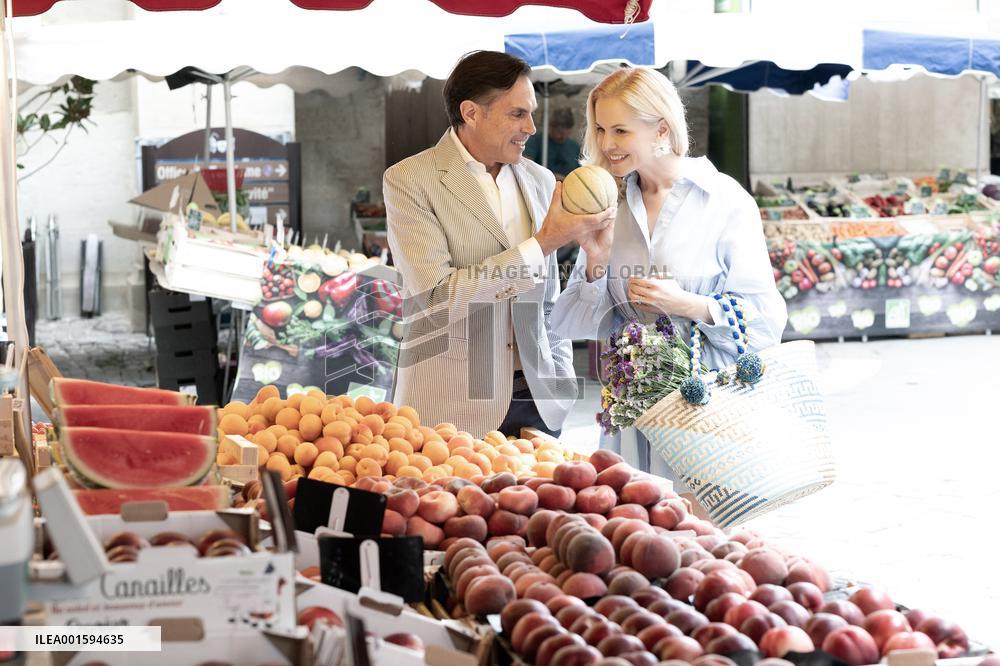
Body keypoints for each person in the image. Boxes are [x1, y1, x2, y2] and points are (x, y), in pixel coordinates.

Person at [550, 67, 787, 483]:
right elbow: (575, 322)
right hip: (630, 407)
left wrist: (686, 304)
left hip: (708, 409)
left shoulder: (724, 201)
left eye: (620, 131)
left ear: (662, 129)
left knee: (699, 535)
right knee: (637, 536)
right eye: (601, 129)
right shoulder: (609, 202)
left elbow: (767, 319)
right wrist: (595, 258)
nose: (607, 144)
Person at [383, 51, 616, 438]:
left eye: (532, 113)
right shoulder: (410, 180)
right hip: (453, 406)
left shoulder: (541, 181)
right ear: (471, 112)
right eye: (517, 114)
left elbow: (549, 303)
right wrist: (542, 243)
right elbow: (438, 299)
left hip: (540, 401)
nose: (531, 127)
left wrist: (596, 261)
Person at [524, 108, 582, 180]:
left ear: (570, 130)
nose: (560, 136)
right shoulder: (537, 141)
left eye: (563, 133)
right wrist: (551, 176)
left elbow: (581, 174)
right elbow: (526, 166)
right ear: (550, 127)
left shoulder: (575, 148)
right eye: (557, 131)